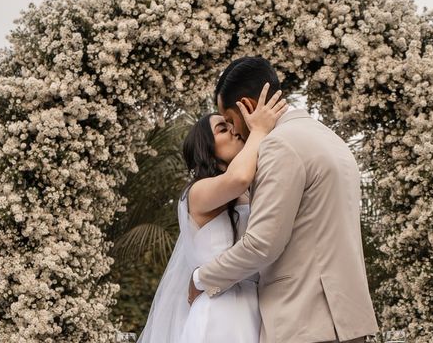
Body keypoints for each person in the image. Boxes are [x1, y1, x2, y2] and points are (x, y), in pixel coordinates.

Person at [188, 56, 379, 343]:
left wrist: (201, 278)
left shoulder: (279, 146)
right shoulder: (329, 139)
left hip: (304, 320)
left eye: (229, 120)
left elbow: (262, 244)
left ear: (248, 107)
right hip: (346, 320)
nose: (236, 132)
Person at [137, 81, 288, 343]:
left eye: (231, 124)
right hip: (219, 310)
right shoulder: (197, 193)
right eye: (222, 128)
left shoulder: (253, 190)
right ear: (206, 148)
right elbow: (238, 177)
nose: (234, 130)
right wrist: (260, 129)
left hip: (257, 309)